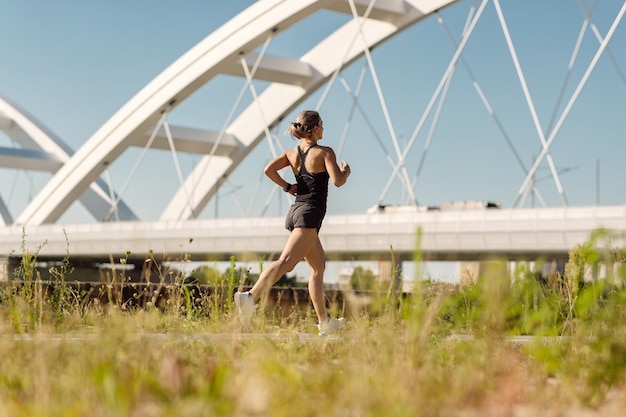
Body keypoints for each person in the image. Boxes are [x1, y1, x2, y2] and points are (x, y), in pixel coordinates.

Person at [234, 110, 351, 335]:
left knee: (318, 268)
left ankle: (325, 323)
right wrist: (345, 172)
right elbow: (337, 182)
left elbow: (269, 170)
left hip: (297, 210)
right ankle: (250, 296)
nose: (324, 128)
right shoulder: (325, 153)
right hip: (309, 215)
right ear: (316, 128)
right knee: (286, 261)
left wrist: (288, 187)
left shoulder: (292, 153)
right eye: (322, 124)